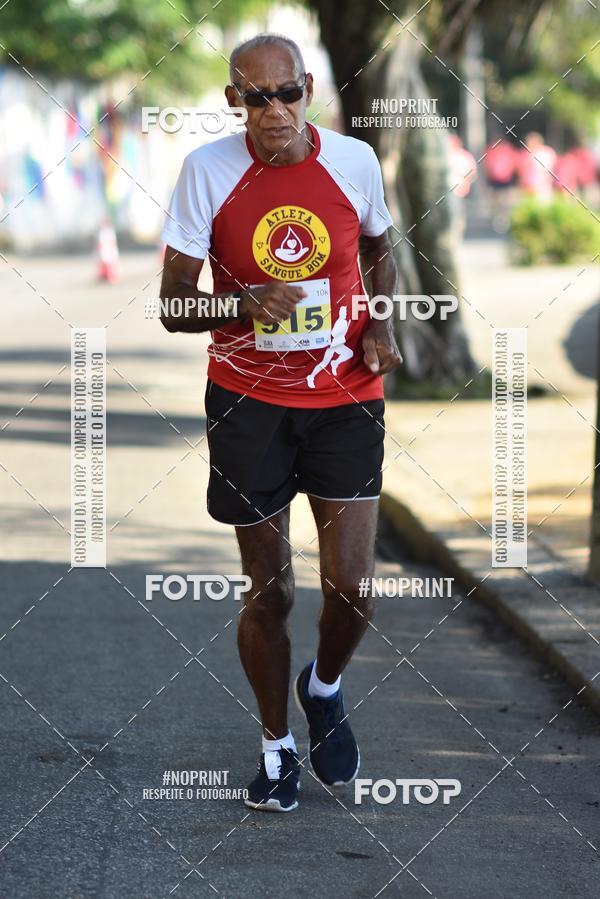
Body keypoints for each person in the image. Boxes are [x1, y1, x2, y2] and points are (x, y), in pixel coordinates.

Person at [159, 33, 402, 812]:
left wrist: (382, 324)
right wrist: (239, 303)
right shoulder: (207, 173)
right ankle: (275, 745)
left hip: (346, 394)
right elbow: (172, 304)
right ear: (234, 101)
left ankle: (323, 686)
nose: (275, 111)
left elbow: (380, 246)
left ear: (308, 91)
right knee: (271, 595)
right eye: (256, 97)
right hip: (249, 402)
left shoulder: (354, 162)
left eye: (288, 93)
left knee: (354, 587)